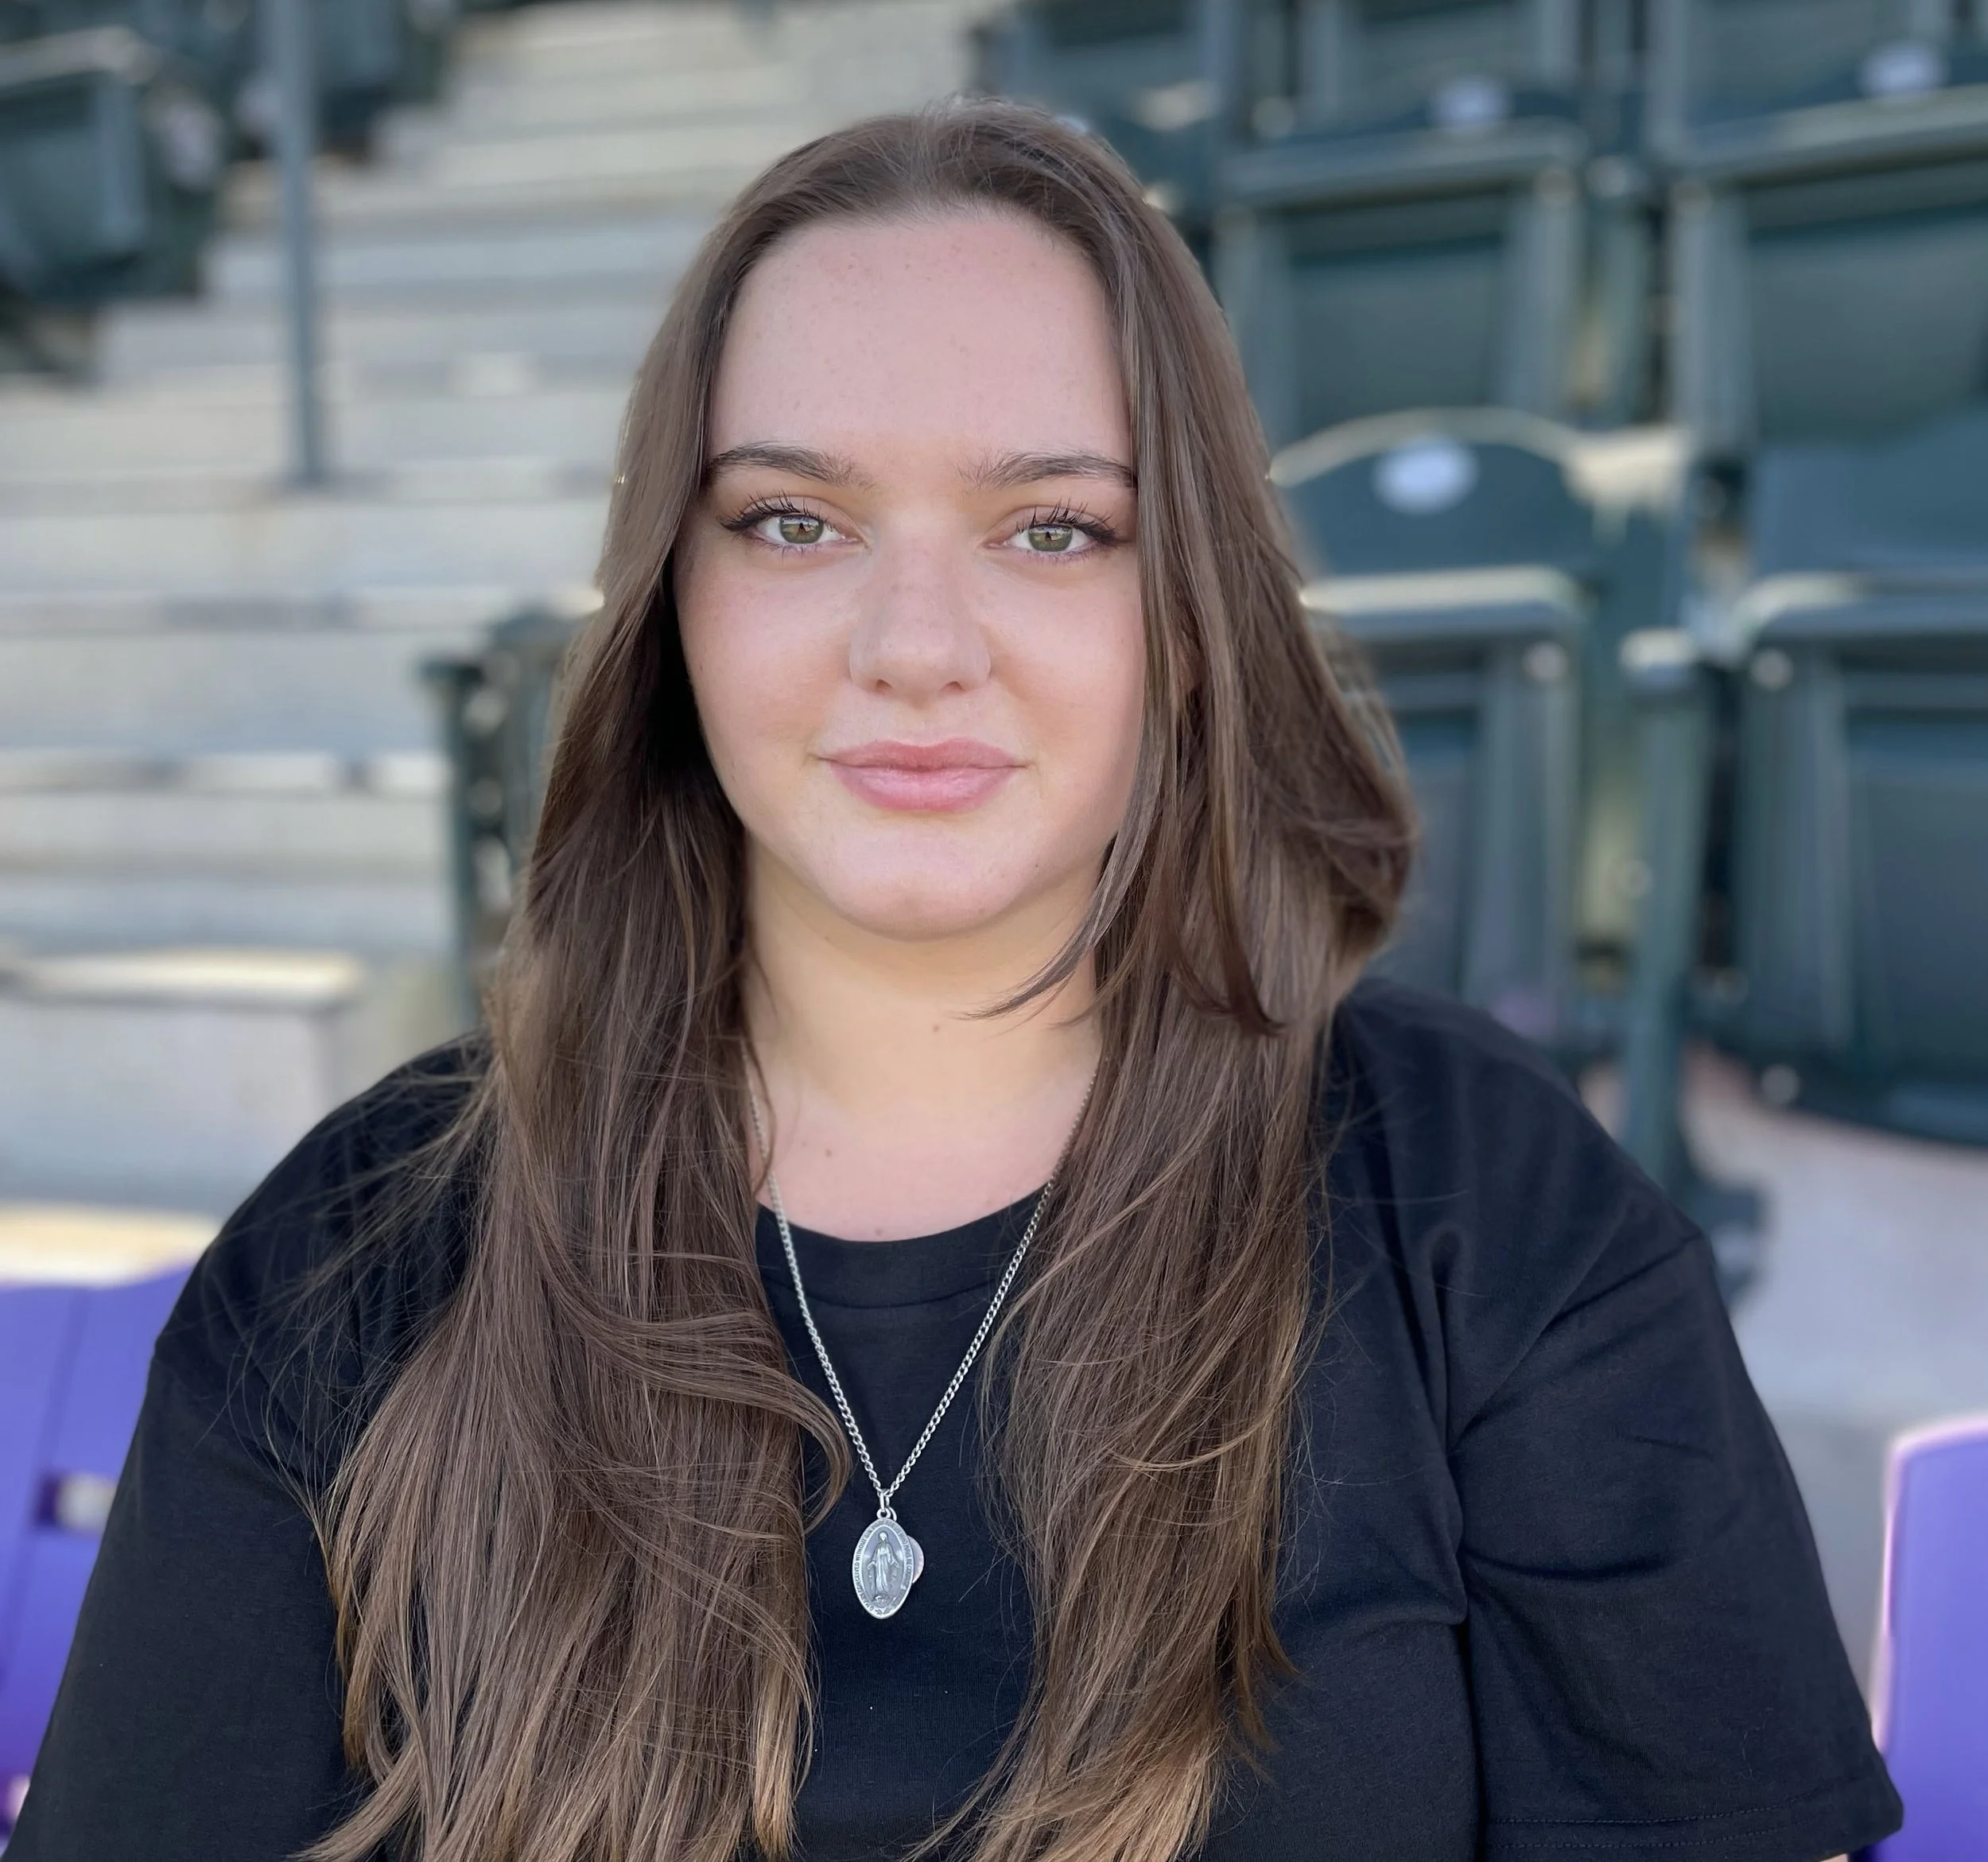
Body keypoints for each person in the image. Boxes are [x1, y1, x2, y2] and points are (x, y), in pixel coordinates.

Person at [10, 104, 1900, 1862]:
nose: (914, 647)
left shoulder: (1484, 1210)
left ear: (1187, 618)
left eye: (1052, 528)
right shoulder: (358, 1251)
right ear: (670, 602)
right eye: (794, 521)